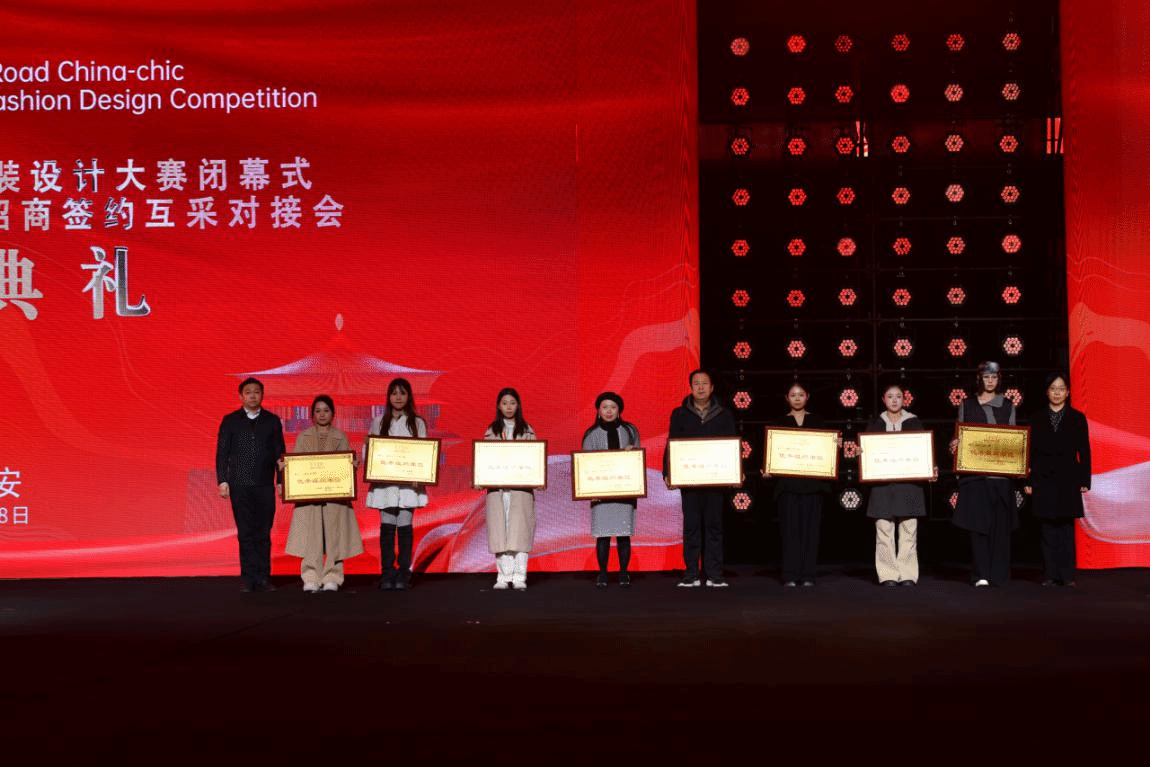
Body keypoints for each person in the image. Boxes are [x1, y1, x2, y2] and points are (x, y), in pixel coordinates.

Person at [663, 369, 737, 588]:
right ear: (691, 387)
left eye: (705, 383)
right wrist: (668, 472)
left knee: (714, 527)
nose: (701, 387)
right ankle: (691, 574)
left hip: (715, 481)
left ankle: (714, 574)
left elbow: (732, 445)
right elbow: (672, 443)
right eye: (696, 383)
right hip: (690, 481)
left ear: (712, 387)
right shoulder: (679, 414)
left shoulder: (724, 414)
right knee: (691, 527)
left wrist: (736, 470)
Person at [282, 395, 364, 592]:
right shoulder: (303, 436)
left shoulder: (340, 436)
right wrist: (287, 468)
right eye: (318, 411)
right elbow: (296, 465)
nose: (322, 414)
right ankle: (310, 576)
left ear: (333, 414)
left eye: (326, 411)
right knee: (311, 536)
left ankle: (332, 577)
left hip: (335, 497)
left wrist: (352, 465)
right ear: (312, 415)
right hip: (309, 496)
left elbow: (345, 465)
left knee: (335, 537)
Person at [216, 377, 286, 592]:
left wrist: (281, 481)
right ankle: (248, 578)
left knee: (263, 533)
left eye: (257, 392)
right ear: (241, 396)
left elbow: (280, 453)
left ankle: (263, 577)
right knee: (245, 533)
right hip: (239, 485)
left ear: (262, 395)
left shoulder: (272, 421)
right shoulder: (230, 420)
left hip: (264, 485)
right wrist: (222, 480)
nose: (253, 396)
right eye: (248, 392)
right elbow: (222, 453)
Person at [951, 361, 1017, 587]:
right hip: (976, 477)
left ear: (999, 379)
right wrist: (955, 446)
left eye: (994, 377)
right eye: (986, 377)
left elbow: (1013, 438)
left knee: (1000, 528)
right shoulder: (967, 405)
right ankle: (981, 574)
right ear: (979, 379)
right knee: (978, 527)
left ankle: (998, 575)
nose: (990, 381)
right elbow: (960, 436)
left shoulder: (1007, 405)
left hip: (1001, 477)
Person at [1024, 372, 1091, 586]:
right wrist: (1028, 481)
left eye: (1061, 389)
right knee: (1046, 528)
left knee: (1066, 528)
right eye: (1053, 389)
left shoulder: (1077, 418)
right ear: (1047, 392)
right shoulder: (1036, 418)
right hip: (1042, 478)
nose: (1057, 393)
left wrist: (1084, 480)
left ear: (1068, 392)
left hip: (1068, 478)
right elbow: (1028, 452)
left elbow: (1084, 451)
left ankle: (1067, 575)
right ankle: (1050, 574)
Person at [863, 384, 933, 587]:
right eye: (890, 396)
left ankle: (907, 574)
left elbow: (924, 451)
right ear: (883, 399)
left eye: (898, 396)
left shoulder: (914, 422)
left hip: (909, 484)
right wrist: (862, 454)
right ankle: (888, 575)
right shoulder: (874, 424)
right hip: (882, 485)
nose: (894, 400)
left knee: (908, 529)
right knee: (884, 529)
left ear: (904, 399)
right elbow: (867, 452)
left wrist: (931, 467)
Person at [766, 382, 832, 587]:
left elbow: (826, 451)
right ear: (787, 398)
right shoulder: (778, 423)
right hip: (788, 487)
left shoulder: (818, 421)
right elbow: (771, 453)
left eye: (800, 394)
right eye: (793, 394)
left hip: (813, 486)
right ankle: (790, 575)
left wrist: (834, 446)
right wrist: (768, 467)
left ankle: (808, 575)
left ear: (807, 396)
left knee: (811, 533)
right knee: (790, 532)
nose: (797, 398)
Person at [366, 378, 429, 591]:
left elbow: (424, 453)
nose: (398, 397)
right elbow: (370, 453)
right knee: (387, 529)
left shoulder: (417, 423)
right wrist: (369, 453)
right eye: (394, 393)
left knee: (404, 528)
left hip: (408, 485)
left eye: (402, 393)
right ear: (388, 397)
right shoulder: (378, 422)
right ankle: (387, 572)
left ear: (409, 396)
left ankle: (403, 572)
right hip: (385, 485)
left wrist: (421, 473)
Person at [581, 392, 641, 588]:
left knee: (624, 533)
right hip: (600, 492)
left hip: (625, 490)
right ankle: (603, 573)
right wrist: (590, 491)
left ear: (619, 410)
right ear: (598, 410)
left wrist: (632, 453)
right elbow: (585, 465)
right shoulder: (591, 434)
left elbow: (638, 460)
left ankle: (624, 572)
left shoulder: (630, 431)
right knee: (603, 534)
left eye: (613, 407)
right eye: (604, 407)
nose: (609, 411)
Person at [484, 388, 537, 590]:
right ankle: (503, 576)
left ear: (518, 406)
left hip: (520, 491)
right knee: (501, 533)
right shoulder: (491, 431)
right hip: (498, 491)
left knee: (519, 533)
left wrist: (537, 477)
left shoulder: (527, 430)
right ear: (499, 406)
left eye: (512, 403)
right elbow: (484, 460)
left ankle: (519, 576)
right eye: (504, 403)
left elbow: (535, 460)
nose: (508, 407)